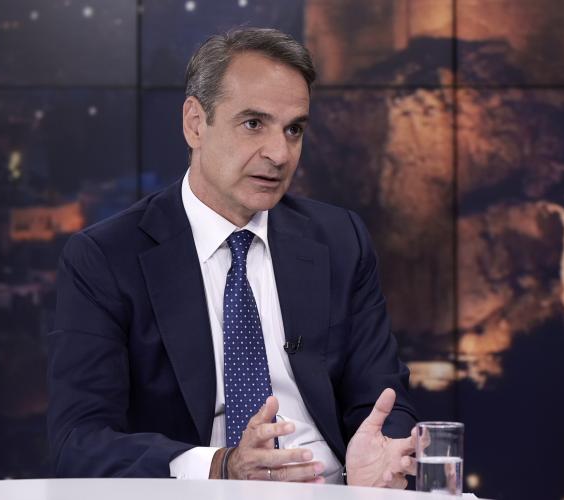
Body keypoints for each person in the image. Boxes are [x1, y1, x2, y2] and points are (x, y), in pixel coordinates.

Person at [47, 27, 418, 487]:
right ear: (195, 124)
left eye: (294, 129)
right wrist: (222, 466)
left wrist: (378, 453)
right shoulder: (105, 258)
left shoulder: (341, 238)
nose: (279, 154)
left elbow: (382, 398)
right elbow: (79, 441)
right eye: (253, 124)